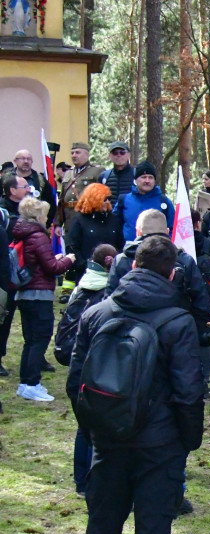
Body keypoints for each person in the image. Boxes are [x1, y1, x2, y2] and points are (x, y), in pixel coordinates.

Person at [68, 235, 204, 534]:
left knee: (102, 526)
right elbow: (189, 392)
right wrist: (187, 440)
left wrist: (95, 429)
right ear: (173, 274)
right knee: (152, 533)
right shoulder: (178, 322)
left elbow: (77, 382)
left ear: (131, 266)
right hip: (159, 446)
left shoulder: (97, 313)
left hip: (108, 440)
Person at [57, 243, 117, 494]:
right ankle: (93, 480)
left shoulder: (81, 286)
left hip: (77, 365)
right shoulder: (106, 296)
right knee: (95, 429)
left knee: (83, 427)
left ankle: (81, 480)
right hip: (95, 367)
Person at [10, 196, 76, 402]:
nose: (48, 219)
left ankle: (25, 383)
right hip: (39, 295)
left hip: (24, 293)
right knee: (40, 338)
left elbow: (38, 262)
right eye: (46, 214)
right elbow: (51, 268)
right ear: (38, 215)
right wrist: (67, 260)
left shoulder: (21, 233)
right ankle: (32, 383)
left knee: (30, 340)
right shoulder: (38, 236)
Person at [0, 173, 31, 378]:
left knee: (27, 317)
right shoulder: (3, 214)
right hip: (6, 275)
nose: (28, 189)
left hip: (25, 274)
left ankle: (35, 355)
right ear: (12, 190)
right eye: (24, 186)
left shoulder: (27, 210)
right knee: (4, 317)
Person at [65, 182, 125, 282]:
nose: (107, 202)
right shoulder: (79, 220)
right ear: (94, 200)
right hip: (86, 273)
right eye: (104, 199)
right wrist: (84, 266)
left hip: (111, 272)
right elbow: (72, 246)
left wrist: (115, 264)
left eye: (108, 199)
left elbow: (121, 244)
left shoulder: (113, 219)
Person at [113, 161, 174, 244]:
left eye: (150, 177)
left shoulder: (164, 202)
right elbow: (114, 226)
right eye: (143, 177)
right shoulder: (123, 200)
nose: (147, 181)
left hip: (157, 252)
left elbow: (173, 228)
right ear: (136, 180)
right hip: (129, 251)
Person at [58, 142, 105, 229]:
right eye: (72, 153)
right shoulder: (68, 173)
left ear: (87, 155)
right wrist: (58, 223)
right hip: (69, 220)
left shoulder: (97, 171)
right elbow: (61, 200)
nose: (74, 155)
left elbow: (102, 197)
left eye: (77, 152)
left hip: (88, 219)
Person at [11, 149, 57, 225]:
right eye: (22, 158)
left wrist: (46, 224)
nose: (26, 161)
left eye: (28, 159)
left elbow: (51, 204)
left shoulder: (40, 180)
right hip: (10, 223)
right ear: (15, 161)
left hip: (34, 225)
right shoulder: (6, 179)